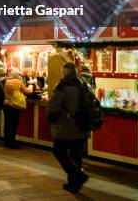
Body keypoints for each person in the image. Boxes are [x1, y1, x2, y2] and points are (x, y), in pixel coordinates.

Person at [47, 62, 91, 193]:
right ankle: (74, 183)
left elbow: (54, 107)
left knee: (58, 150)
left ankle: (77, 175)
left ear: (64, 73)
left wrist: (50, 118)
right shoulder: (85, 86)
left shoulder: (62, 87)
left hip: (66, 127)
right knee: (76, 155)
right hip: (83, 126)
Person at [2, 67, 32, 149]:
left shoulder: (6, 81)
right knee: (14, 124)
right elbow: (27, 92)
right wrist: (30, 89)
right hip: (14, 105)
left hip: (6, 104)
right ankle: (12, 143)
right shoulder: (18, 82)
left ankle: (6, 142)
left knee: (7, 124)